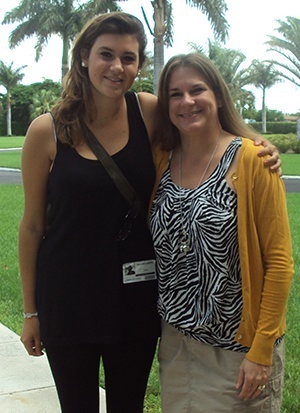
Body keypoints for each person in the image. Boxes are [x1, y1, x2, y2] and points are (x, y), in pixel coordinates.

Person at [18, 11, 280, 413]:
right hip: (67, 301)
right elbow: (33, 226)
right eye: (106, 54)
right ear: (84, 56)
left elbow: (205, 119)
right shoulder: (46, 130)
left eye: (128, 58)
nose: (117, 67)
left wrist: (258, 144)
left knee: (129, 405)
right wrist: (31, 312)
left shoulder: (147, 110)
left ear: (139, 65)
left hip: (135, 299)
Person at [149, 53, 294, 413]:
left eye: (197, 90)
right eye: (175, 94)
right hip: (177, 344)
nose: (187, 102)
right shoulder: (161, 159)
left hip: (237, 352)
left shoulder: (252, 160)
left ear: (218, 95)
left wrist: (261, 352)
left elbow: (279, 263)